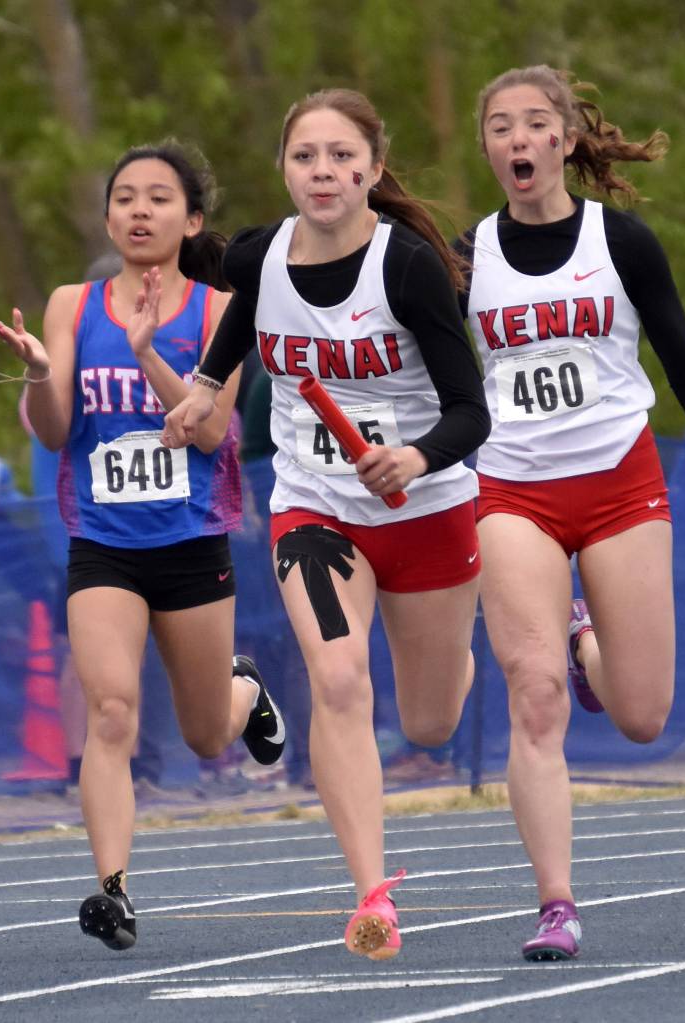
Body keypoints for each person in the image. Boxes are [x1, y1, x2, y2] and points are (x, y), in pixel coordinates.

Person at [456, 65, 685, 963]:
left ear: (563, 137)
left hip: (618, 482)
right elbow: (435, 380)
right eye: (498, 127)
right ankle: (555, 902)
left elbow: (684, 363)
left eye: (533, 124)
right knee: (533, 698)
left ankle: (582, 641)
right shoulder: (465, 256)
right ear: (486, 147)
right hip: (511, 491)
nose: (517, 140)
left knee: (642, 715)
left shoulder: (621, 242)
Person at [162, 88, 490, 960]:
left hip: (423, 505)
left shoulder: (410, 267)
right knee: (339, 680)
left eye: (342, 156)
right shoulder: (265, 253)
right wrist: (203, 380)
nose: (323, 172)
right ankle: (370, 893)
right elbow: (246, 292)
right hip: (314, 503)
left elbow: (471, 413)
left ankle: (467, 640)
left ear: (372, 170)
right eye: (305, 156)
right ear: (284, 169)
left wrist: (415, 456)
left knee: (430, 723)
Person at [0, 141, 286, 952]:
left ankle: (243, 691)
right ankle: (113, 889)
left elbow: (212, 431)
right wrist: (43, 375)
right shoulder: (70, 304)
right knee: (112, 711)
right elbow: (56, 434)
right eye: (125, 197)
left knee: (202, 734)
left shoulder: (218, 310)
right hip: (104, 545)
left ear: (190, 220)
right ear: (109, 214)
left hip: (191, 540)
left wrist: (150, 351)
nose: (139, 211)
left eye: (159, 198)